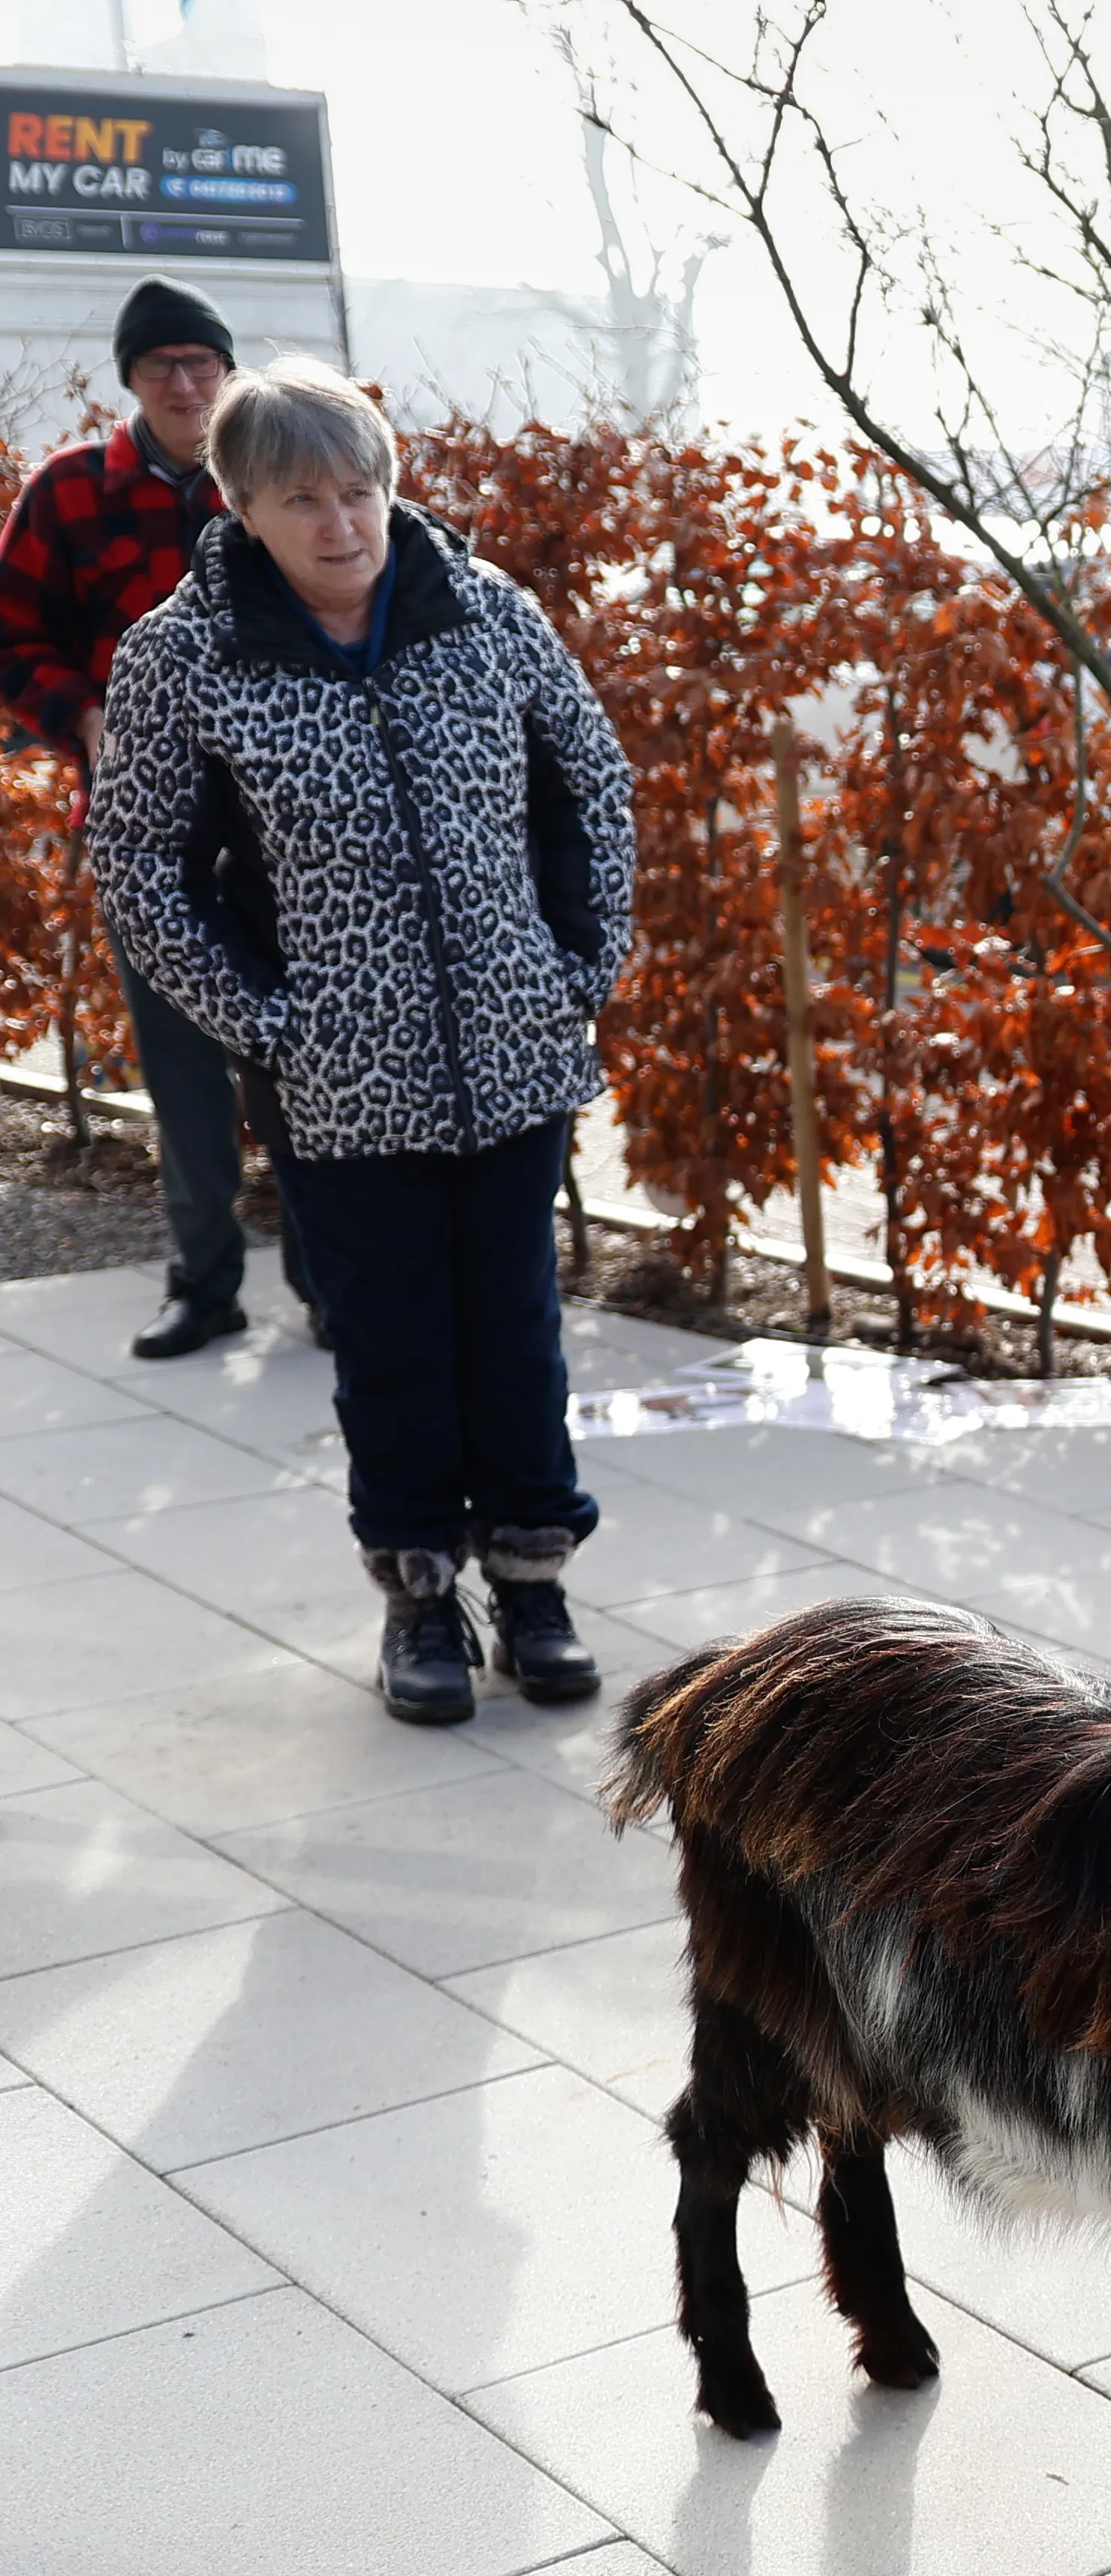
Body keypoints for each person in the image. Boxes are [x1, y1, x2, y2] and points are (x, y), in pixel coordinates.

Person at [87, 360, 634, 1726]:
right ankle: (419, 1596)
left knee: (514, 1330)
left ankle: (534, 1579)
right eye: (303, 500)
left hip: (514, 1051)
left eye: (359, 490)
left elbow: (590, 781)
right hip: (334, 1080)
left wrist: (577, 965)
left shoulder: (488, 610)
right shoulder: (181, 656)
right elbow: (140, 865)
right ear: (241, 507)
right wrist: (264, 1024)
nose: (342, 523)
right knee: (391, 1342)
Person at [0, 275, 312, 1357]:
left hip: (284, 825)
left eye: (202, 363)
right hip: (147, 831)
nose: (185, 385)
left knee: (303, 1053)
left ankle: (327, 1277)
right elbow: (11, 638)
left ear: (228, 372)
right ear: (130, 378)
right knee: (180, 1067)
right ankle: (204, 1283)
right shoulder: (68, 492)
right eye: (161, 366)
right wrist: (81, 715)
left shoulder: (274, 478)